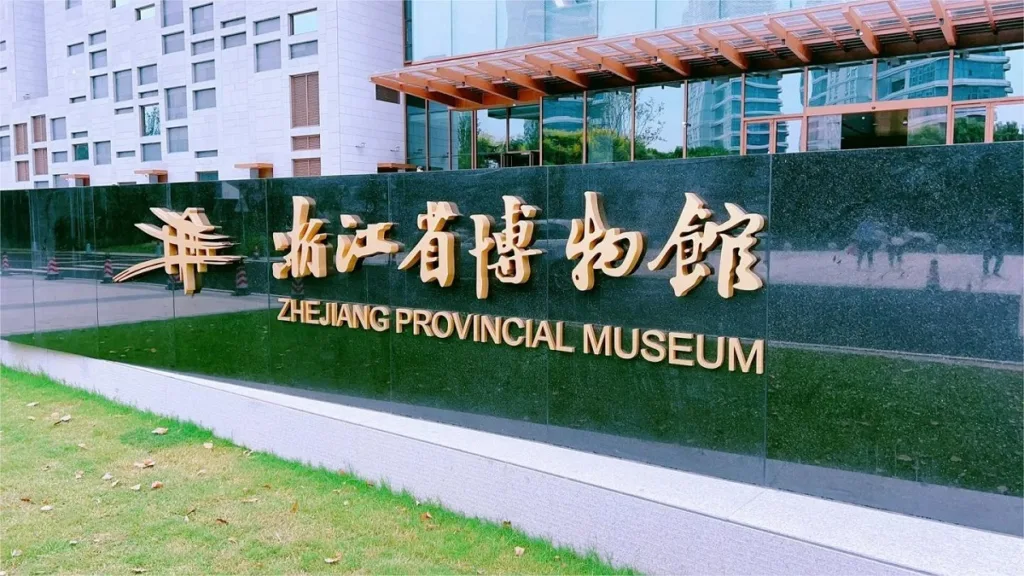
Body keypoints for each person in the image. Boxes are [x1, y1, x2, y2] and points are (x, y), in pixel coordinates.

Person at [981, 210, 1009, 278]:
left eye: (993, 215)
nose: (991, 216)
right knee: (987, 258)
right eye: (990, 215)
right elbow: (984, 233)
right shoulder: (986, 223)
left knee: (1000, 258)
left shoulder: (997, 223)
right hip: (989, 243)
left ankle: (995, 272)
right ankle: (986, 272)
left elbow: (1005, 229)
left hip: (997, 243)